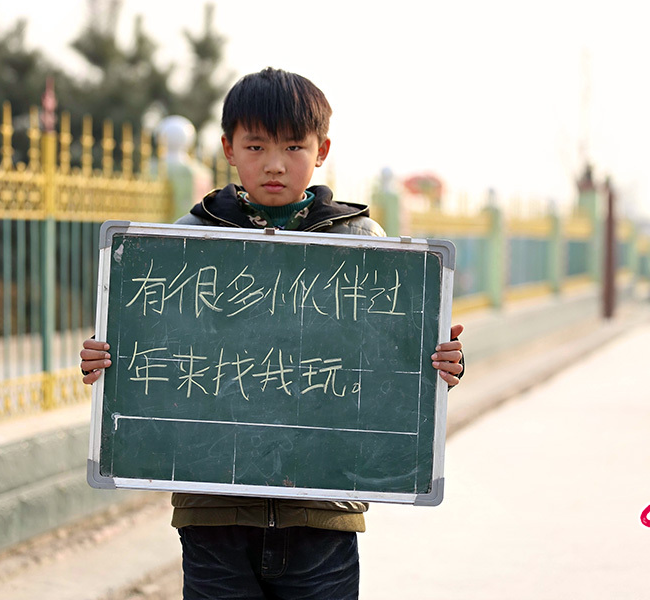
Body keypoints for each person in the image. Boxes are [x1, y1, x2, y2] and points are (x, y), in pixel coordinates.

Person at [81, 67, 464, 600]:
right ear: (228, 148)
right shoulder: (187, 242)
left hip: (322, 515)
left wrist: (445, 364)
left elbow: (398, 367)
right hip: (214, 510)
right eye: (256, 146)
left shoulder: (364, 243)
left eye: (294, 147)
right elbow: (147, 348)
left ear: (322, 149)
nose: (276, 164)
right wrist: (105, 360)